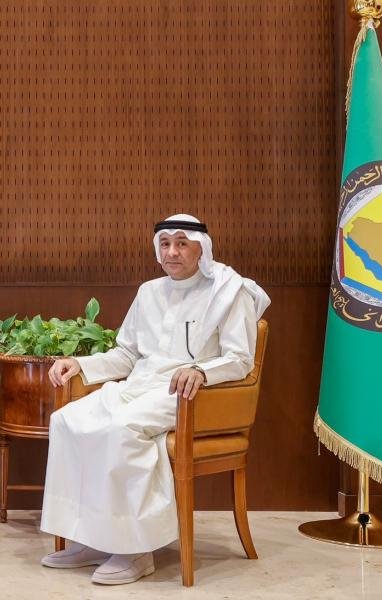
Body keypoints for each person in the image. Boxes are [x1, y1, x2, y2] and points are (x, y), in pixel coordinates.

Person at [40, 214, 270, 585]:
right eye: (165, 244)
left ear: (201, 249)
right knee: (67, 420)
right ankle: (92, 538)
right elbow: (126, 355)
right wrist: (80, 364)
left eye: (182, 243)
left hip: (190, 394)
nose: (172, 252)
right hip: (140, 386)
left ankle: (135, 550)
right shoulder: (148, 292)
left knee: (122, 429)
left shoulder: (229, 291)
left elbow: (240, 359)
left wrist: (201, 370)